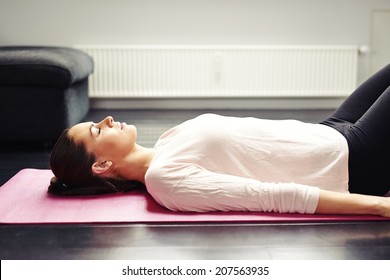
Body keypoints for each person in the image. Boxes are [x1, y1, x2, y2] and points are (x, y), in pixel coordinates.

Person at [49, 63, 390, 218]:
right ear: (102, 164)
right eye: (97, 129)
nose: (106, 119)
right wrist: (379, 207)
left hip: (331, 131)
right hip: (355, 161)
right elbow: (270, 196)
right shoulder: (164, 179)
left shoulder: (166, 143)